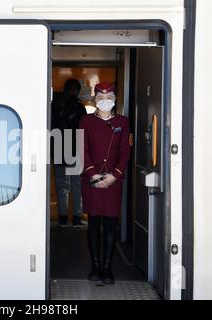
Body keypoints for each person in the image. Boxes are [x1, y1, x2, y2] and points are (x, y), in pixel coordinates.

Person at [79, 82, 131, 284]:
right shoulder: (85, 121)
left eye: (109, 97)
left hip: (113, 182)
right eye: (101, 97)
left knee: (110, 225)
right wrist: (93, 175)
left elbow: (125, 153)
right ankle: (95, 266)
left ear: (115, 99)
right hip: (91, 180)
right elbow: (82, 149)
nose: (105, 101)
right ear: (95, 100)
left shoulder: (123, 122)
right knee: (93, 224)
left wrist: (113, 176)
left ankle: (107, 268)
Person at [51, 79, 87, 227]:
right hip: (75, 149)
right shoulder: (80, 108)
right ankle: (77, 217)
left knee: (62, 186)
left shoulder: (55, 106)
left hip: (60, 147)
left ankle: (63, 218)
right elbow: (85, 130)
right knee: (76, 185)